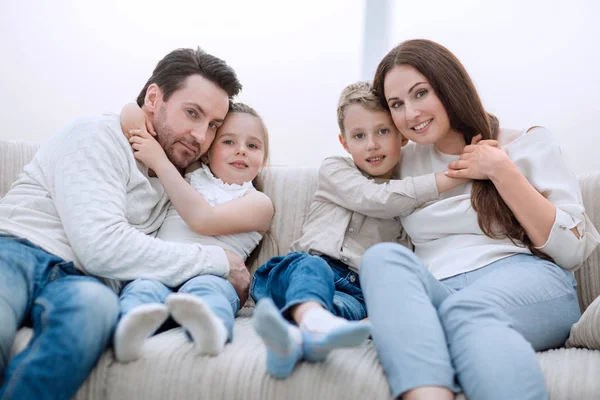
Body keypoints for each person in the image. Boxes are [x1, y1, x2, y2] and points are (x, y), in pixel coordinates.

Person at [360, 39, 600, 400]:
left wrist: (502, 170)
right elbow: (339, 181)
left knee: (465, 311)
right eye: (397, 104)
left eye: (420, 93)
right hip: (441, 288)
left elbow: (572, 251)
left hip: (525, 280)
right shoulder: (400, 165)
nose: (410, 114)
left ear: (448, 86)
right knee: (382, 260)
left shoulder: (527, 143)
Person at [0, 47, 244, 400]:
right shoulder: (96, 134)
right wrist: (221, 261)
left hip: (84, 282)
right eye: (192, 113)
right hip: (16, 248)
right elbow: (101, 245)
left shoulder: (177, 177)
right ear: (154, 97)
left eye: (213, 126)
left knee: (96, 309)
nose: (199, 136)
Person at [251, 81, 468, 379]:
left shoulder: (412, 190)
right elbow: (375, 198)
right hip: (305, 270)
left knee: (342, 313)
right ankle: (313, 321)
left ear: (402, 137)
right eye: (359, 136)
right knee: (311, 269)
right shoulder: (336, 169)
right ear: (344, 143)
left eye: (382, 131)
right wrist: (449, 178)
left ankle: (298, 340)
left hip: (358, 292)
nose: (372, 144)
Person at [113, 102, 273, 361]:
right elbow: (132, 111)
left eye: (252, 146)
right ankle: (130, 328)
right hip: (160, 269)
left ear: (262, 159)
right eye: (229, 142)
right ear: (207, 153)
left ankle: (211, 330)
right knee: (142, 288)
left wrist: (158, 159)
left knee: (206, 292)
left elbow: (203, 220)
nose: (241, 151)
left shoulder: (259, 203)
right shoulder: (191, 173)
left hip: (214, 276)